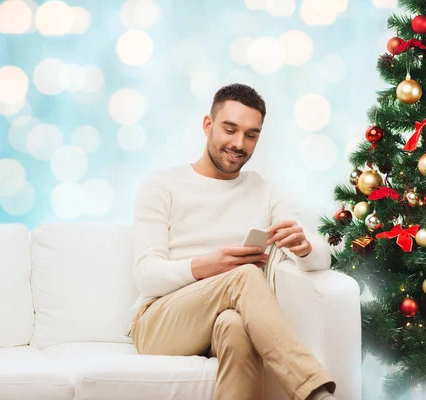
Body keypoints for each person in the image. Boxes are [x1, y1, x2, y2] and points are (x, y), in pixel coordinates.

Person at [125, 83, 337, 400]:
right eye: (230, 129)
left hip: (223, 321)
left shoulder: (265, 191)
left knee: (236, 325)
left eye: (251, 135)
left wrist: (304, 247)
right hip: (159, 324)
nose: (239, 144)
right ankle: (316, 393)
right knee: (245, 275)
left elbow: (324, 257)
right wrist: (204, 267)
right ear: (208, 125)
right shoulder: (162, 186)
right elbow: (145, 274)